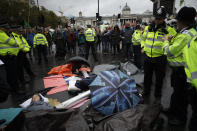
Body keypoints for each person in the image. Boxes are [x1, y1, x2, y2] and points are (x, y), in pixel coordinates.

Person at [162, 7, 197, 126]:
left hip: (182, 71)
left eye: (178, 21)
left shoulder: (184, 35)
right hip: (180, 70)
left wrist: (166, 41)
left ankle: (180, 118)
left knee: (181, 96)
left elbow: (170, 51)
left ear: (183, 22)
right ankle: (172, 110)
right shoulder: (190, 32)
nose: (176, 24)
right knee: (176, 93)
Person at [141, 6, 177, 102]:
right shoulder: (148, 28)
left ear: (164, 19)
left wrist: (169, 41)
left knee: (159, 78)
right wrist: (143, 46)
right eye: (156, 18)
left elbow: (174, 44)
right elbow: (143, 38)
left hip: (160, 58)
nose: (157, 21)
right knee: (147, 76)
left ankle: (158, 95)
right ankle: (146, 92)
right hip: (148, 56)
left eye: (160, 19)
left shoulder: (169, 30)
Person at [0, 20, 24, 94]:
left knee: (12, 73)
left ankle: (13, 87)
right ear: (1, 28)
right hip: (8, 57)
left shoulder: (5, 33)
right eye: (5, 28)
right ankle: (15, 89)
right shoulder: (1, 34)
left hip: (11, 56)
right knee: (12, 74)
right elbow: (13, 42)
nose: (8, 29)